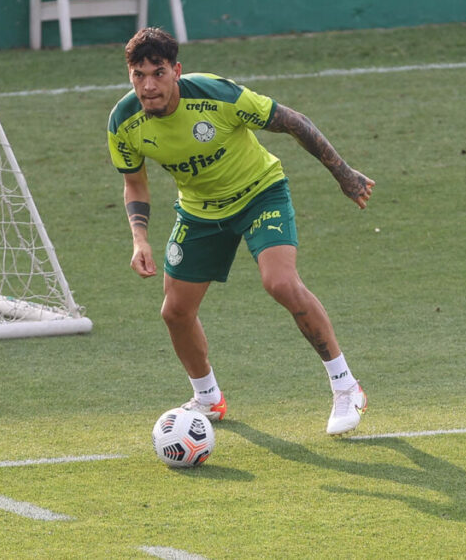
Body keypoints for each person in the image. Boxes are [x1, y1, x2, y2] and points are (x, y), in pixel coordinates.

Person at [107, 27, 375, 435]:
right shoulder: (124, 122)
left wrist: (344, 174)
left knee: (280, 282)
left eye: (158, 73)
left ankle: (345, 385)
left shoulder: (217, 95)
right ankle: (208, 398)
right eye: (138, 75)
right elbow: (135, 183)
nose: (148, 85)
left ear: (176, 70)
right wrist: (139, 238)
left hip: (259, 194)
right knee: (175, 312)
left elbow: (293, 122)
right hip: (199, 212)